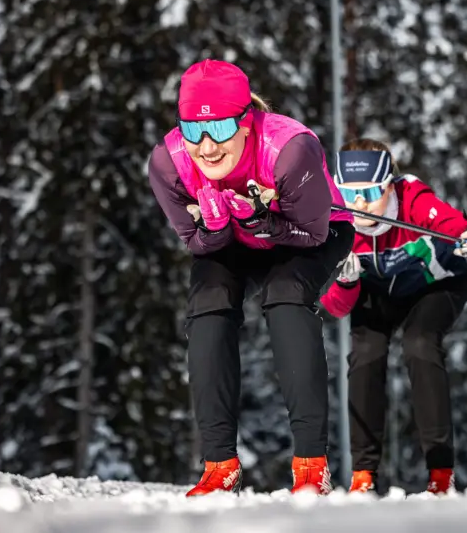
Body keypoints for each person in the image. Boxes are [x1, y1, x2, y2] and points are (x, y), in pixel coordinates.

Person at [148, 59, 354, 497]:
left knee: (285, 296)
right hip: (234, 239)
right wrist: (217, 229)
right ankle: (219, 465)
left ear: (246, 122)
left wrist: (266, 223)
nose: (206, 147)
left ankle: (310, 466)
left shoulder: (289, 148)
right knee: (208, 304)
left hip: (309, 234)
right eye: (193, 130)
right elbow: (194, 243)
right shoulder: (168, 163)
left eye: (220, 129)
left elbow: (313, 232)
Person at [319, 139, 467, 495]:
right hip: (379, 295)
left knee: (419, 343)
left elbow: (459, 224)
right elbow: (335, 307)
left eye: (369, 191)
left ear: (389, 184)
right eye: (349, 193)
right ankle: (363, 475)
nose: (360, 203)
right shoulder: (337, 221)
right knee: (366, 353)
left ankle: (441, 473)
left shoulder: (413, 200)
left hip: (435, 286)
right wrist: (346, 280)